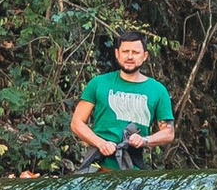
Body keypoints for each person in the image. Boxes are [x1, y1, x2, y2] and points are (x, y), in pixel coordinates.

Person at [71, 35, 179, 169]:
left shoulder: (157, 90)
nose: (129, 56)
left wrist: (145, 140)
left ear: (145, 55)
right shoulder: (98, 83)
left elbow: (168, 133)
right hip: (98, 164)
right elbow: (77, 123)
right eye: (125, 51)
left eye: (135, 52)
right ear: (117, 53)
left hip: (134, 167)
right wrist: (101, 143)